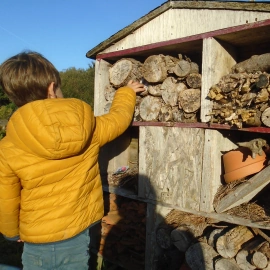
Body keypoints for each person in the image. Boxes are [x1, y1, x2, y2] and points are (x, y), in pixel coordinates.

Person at [0, 51, 144, 269]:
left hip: (39, 239)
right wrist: (126, 93)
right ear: (51, 88)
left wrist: (11, 233)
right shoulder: (86, 126)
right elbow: (118, 120)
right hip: (82, 229)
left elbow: (5, 199)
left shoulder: (8, 146)